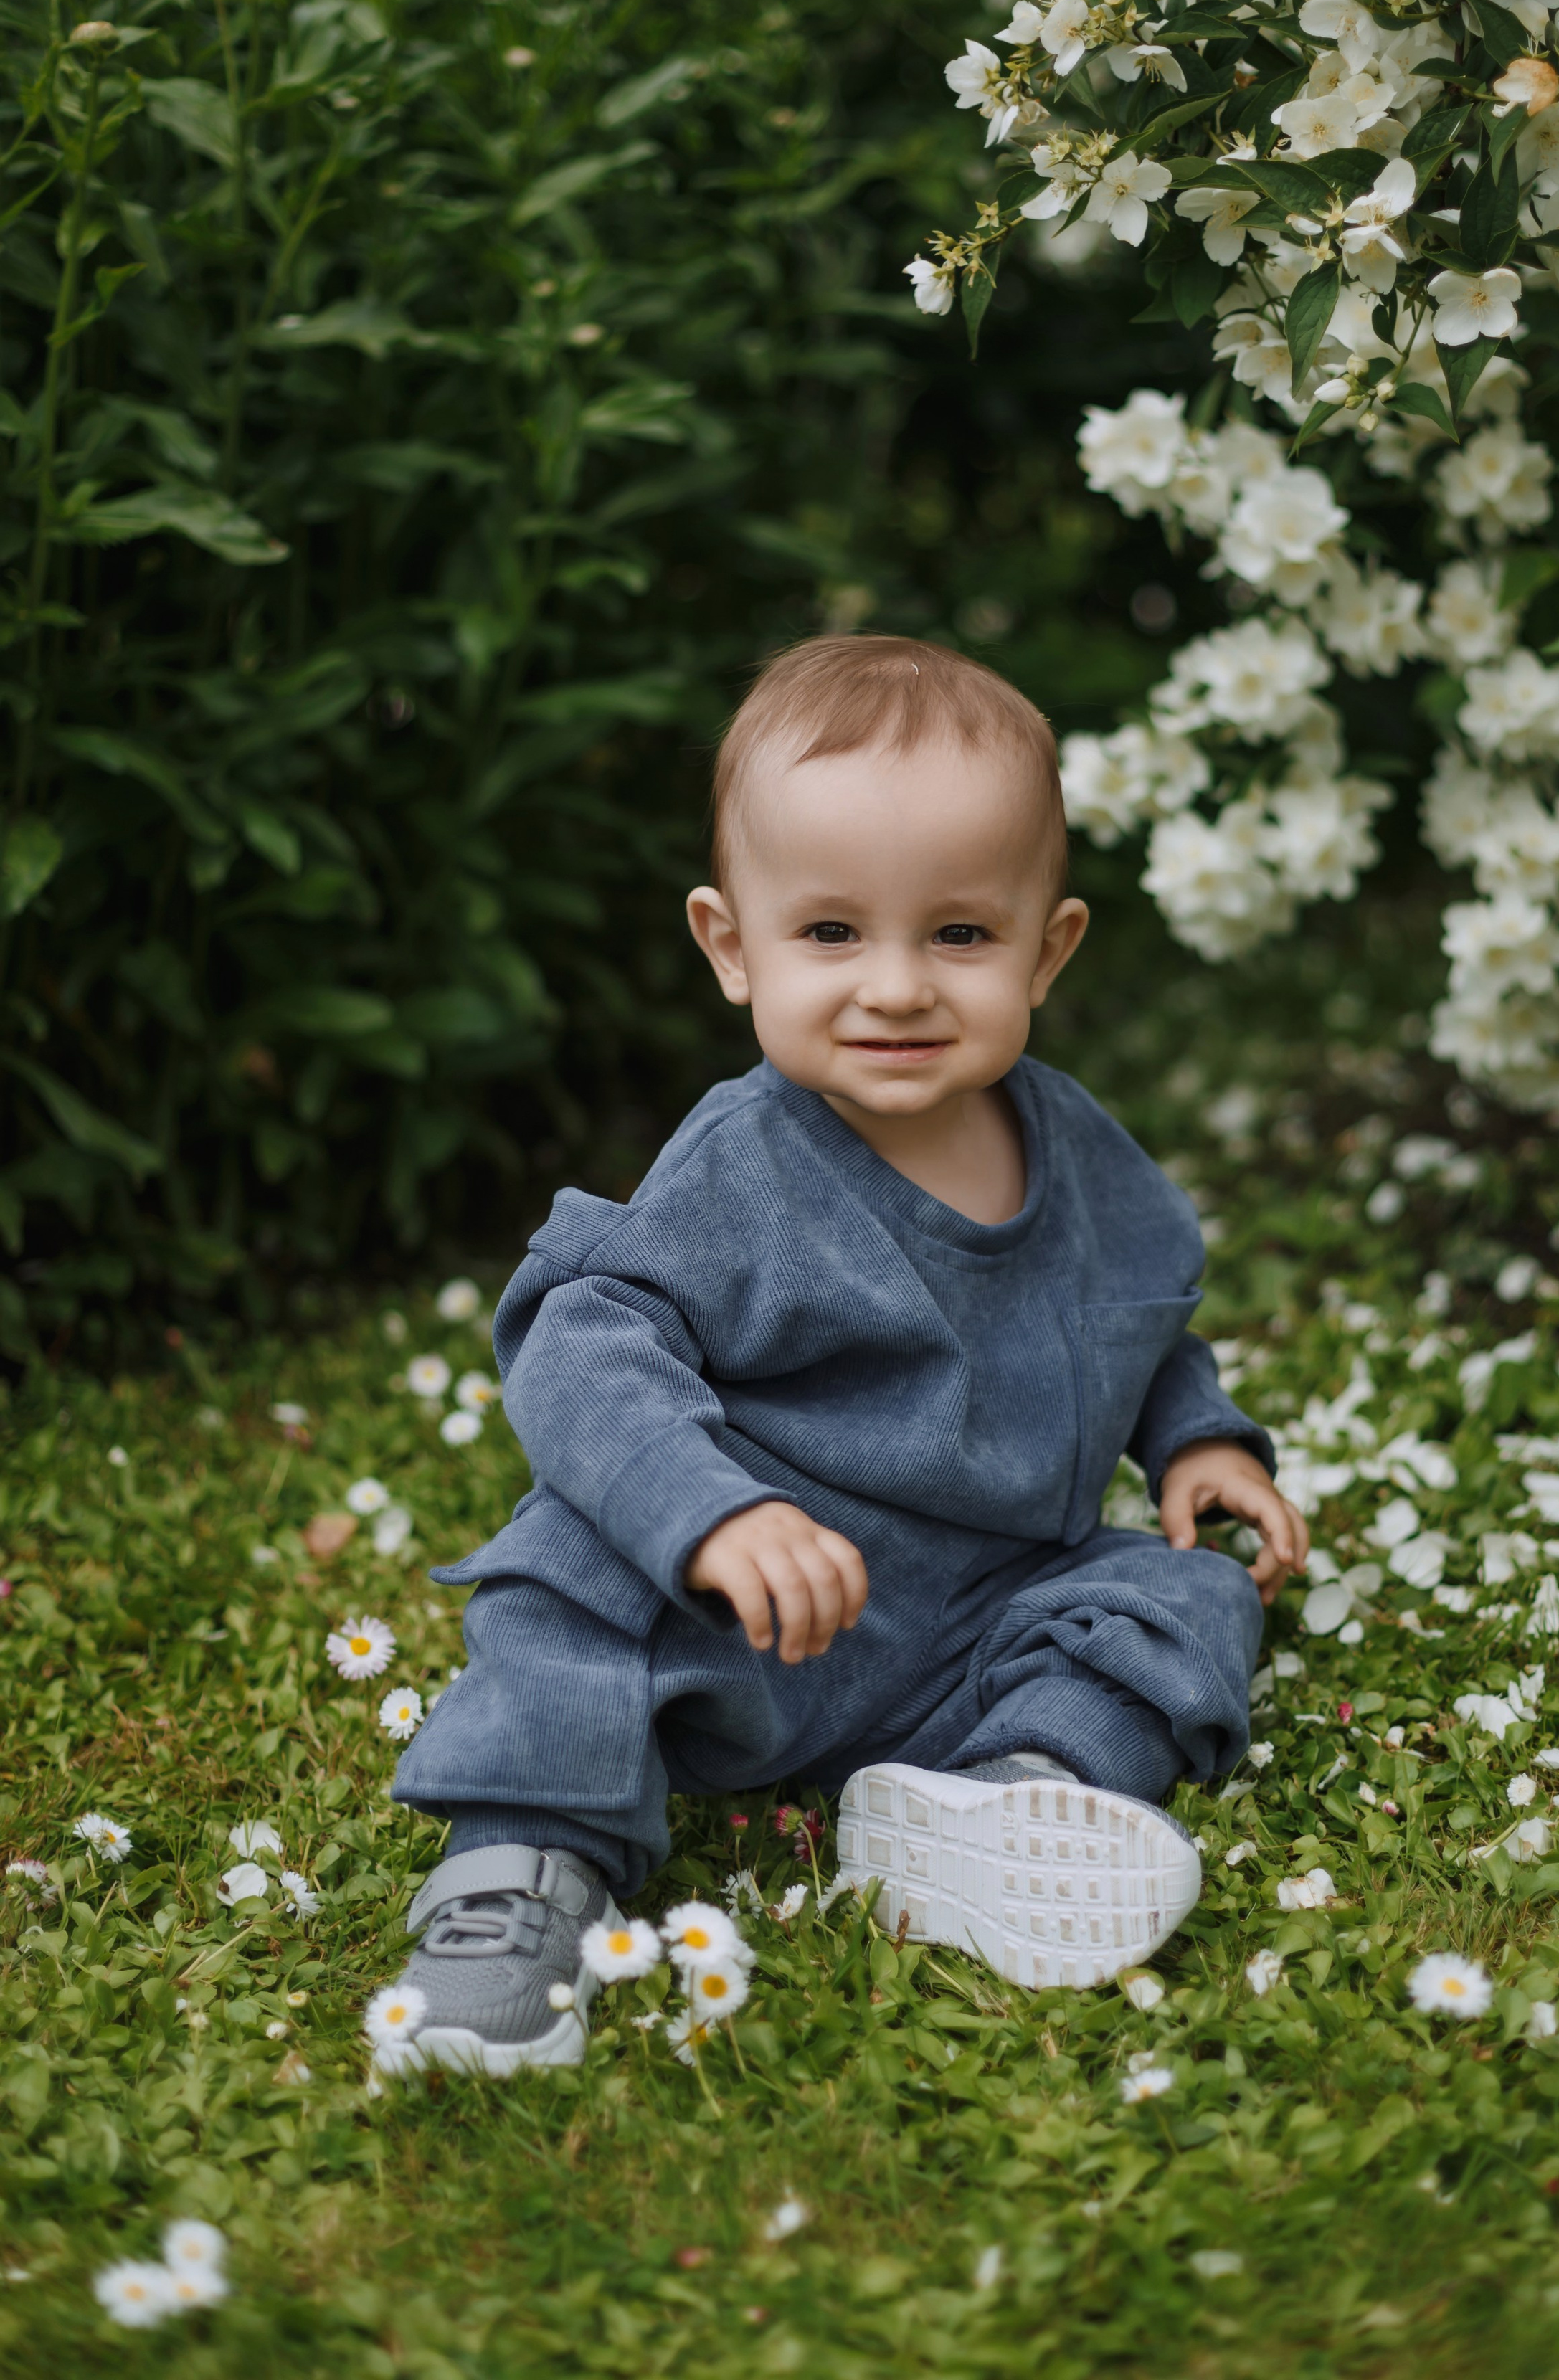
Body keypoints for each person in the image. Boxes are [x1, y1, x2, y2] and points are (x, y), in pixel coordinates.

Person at [386, 636, 1306, 2070]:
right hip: (749, 1615)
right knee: (571, 1584)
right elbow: (582, 1338)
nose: (895, 987)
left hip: (981, 1618)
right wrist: (710, 1515)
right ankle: (521, 1876)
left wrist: (1196, 1438)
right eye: (828, 932)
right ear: (730, 946)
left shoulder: (1077, 1151)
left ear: (1048, 949)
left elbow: (1132, 1314)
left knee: (1181, 1597)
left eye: (959, 935)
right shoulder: (742, 1167)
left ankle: (1012, 1792)